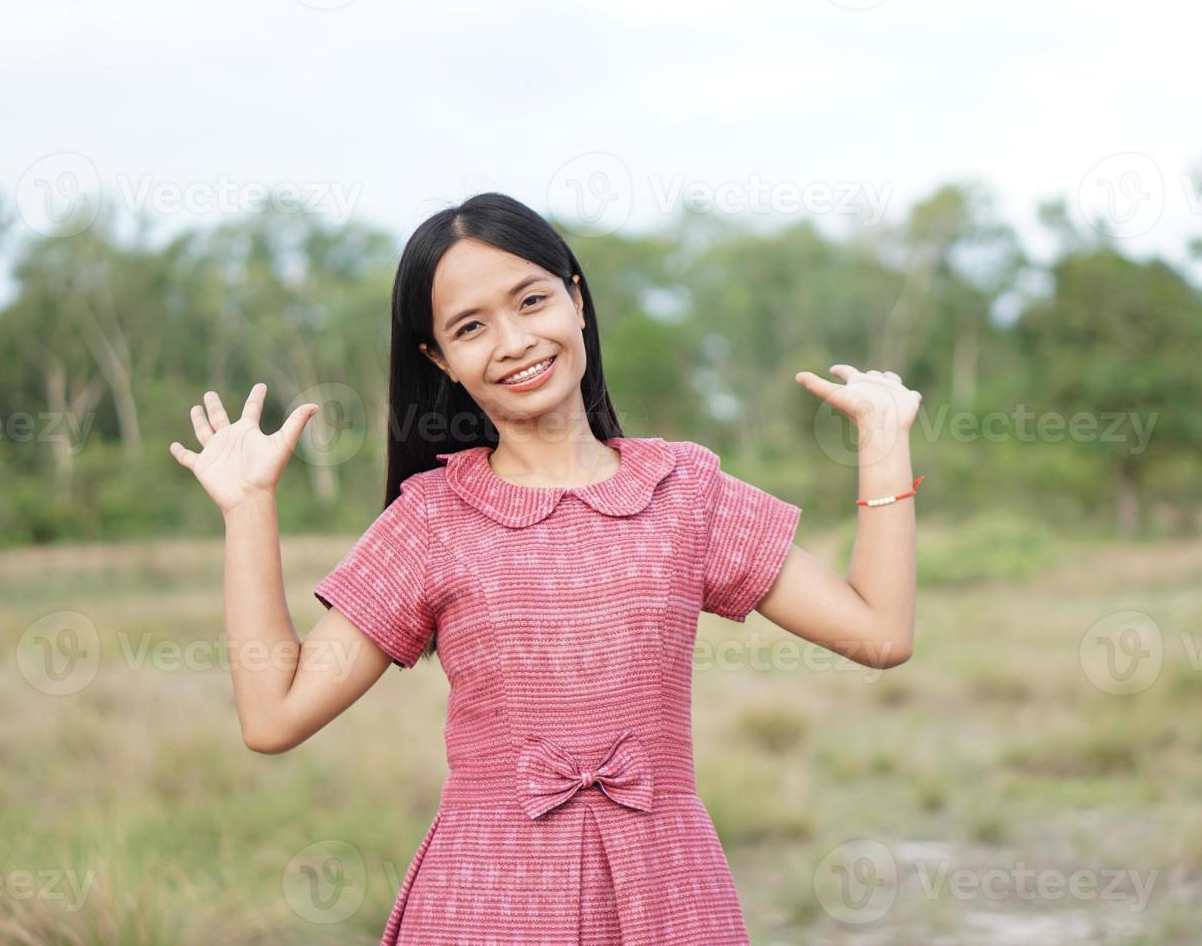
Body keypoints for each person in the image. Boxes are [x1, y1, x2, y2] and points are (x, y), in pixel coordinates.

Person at [168, 192, 922, 944]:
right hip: (487, 901)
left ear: (577, 300)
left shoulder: (685, 491)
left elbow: (879, 634)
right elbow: (273, 716)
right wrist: (247, 510)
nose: (515, 341)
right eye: (470, 327)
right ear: (440, 360)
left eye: (531, 300)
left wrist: (883, 440)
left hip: (666, 893)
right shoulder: (430, 518)